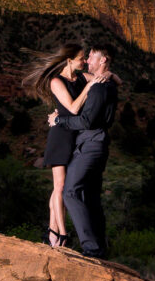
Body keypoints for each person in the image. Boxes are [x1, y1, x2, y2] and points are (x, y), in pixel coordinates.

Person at [21, 44, 107, 248]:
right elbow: (73, 108)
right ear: (69, 60)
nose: (84, 61)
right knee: (60, 187)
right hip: (60, 136)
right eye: (80, 58)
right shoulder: (56, 81)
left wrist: (107, 77)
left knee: (62, 188)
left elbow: (111, 76)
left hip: (75, 136)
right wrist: (90, 86)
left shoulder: (80, 78)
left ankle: (52, 232)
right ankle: (61, 235)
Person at [53, 43, 119, 257]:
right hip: (98, 143)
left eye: (91, 57)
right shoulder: (107, 84)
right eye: (86, 57)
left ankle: (91, 249)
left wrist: (58, 120)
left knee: (71, 192)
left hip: (90, 144)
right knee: (90, 196)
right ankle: (99, 248)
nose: (87, 61)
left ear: (103, 61)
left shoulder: (99, 87)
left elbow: (86, 120)